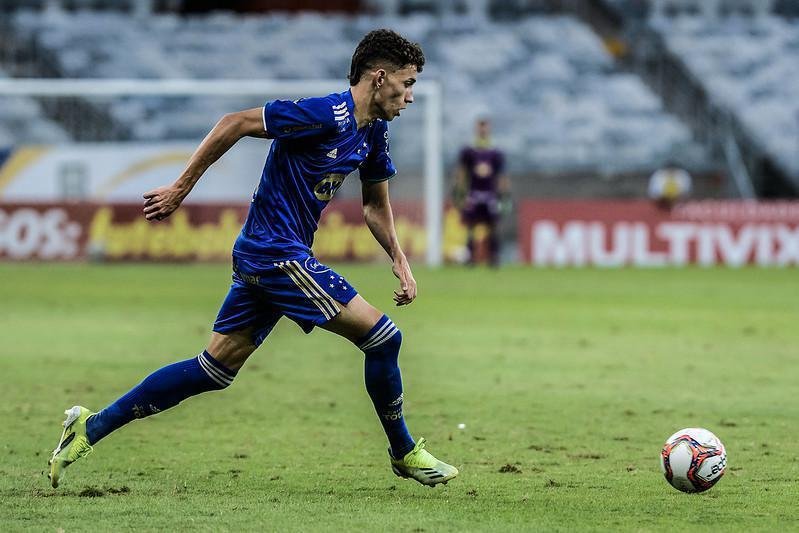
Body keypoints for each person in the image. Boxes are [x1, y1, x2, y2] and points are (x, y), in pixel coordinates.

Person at [48, 29, 458, 489]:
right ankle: (404, 452)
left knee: (214, 368)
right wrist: (180, 189)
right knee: (383, 338)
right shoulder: (325, 114)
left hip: (268, 254)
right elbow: (234, 122)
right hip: (275, 253)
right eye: (407, 84)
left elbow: (374, 206)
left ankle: (91, 426)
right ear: (379, 78)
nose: (410, 97)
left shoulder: (373, 132)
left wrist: (399, 259)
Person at [452, 118, 509, 266]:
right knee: (471, 225)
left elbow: (501, 175)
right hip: (474, 193)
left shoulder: (496, 151)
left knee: (492, 226)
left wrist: (504, 195)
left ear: (489, 129)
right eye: (480, 127)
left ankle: (494, 257)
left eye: (485, 127)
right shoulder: (469, 150)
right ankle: (470, 257)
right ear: (477, 129)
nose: (483, 130)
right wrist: (459, 191)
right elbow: (462, 171)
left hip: (490, 194)